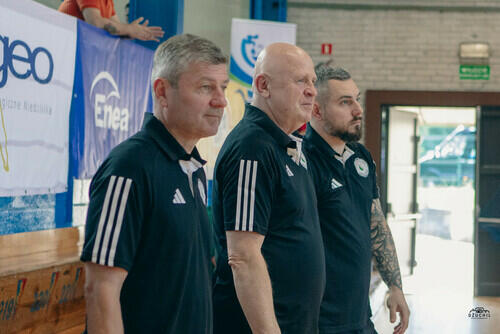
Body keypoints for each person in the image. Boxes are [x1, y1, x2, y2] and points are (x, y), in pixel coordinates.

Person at [80, 34, 229, 334]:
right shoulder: (129, 168)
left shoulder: (194, 171)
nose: (221, 100)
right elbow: (100, 289)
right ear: (162, 92)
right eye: (205, 87)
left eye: (222, 87)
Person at [212, 43, 326, 334]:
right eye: (301, 80)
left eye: (312, 81)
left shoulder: (284, 146)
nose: (312, 90)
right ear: (263, 85)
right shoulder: (252, 147)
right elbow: (242, 256)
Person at [303, 62, 410, 334]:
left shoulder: (361, 157)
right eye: (345, 102)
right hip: (318, 321)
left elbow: (376, 224)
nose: (358, 110)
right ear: (317, 109)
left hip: (360, 317)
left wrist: (394, 285)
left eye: (357, 99)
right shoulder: (301, 160)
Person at [58, 0, 164, 42]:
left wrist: (135, 32)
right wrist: (129, 29)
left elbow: (117, 27)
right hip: (62, 48)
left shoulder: (108, 2)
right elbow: (95, 23)